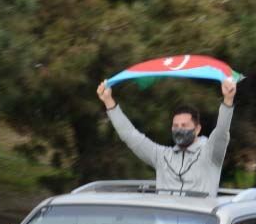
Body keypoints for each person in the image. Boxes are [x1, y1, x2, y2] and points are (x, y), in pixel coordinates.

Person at [96, 77, 237, 197]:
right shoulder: (161, 156)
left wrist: (228, 99)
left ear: (198, 129)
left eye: (184, 125)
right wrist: (108, 101)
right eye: (175, 126)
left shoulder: (211, 154)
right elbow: (130, 136)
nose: (179, 129)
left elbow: (221, 132)